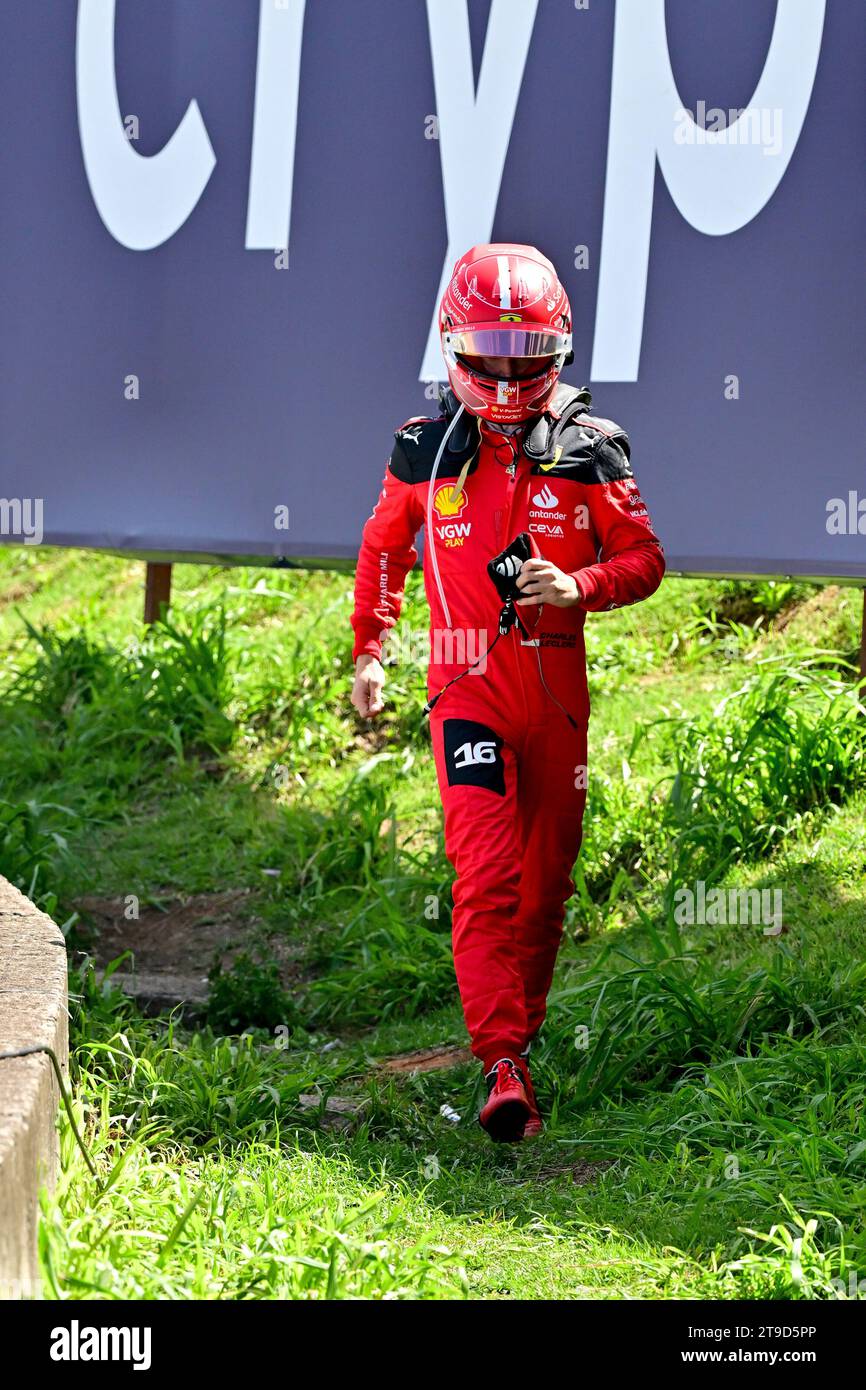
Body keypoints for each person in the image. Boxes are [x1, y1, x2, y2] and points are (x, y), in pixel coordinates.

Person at [350, 244, 664, 1141]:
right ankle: (503, 1065)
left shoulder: (593, 447)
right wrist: (371, 649)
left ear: (558, 348)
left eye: (522, 350)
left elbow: (645, 560)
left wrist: (579, 587)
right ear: (452, 344)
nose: (503, 370)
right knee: (485, 878)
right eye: (485, 348)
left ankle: (515, 1041)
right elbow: (381, 551)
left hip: (559, 700)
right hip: (464, 688)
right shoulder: (422, 450)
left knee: (546, 886)